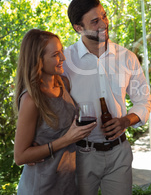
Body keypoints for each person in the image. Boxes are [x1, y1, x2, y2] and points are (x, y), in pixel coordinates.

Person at [63, 0, 151, 195]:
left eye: (104, 16)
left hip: (119, 153)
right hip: (81, 155)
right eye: (95, 21)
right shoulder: (66, 62)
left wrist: (125, 121)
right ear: (78, 28)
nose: (104, 24)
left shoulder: (126, 57)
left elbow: (143, 100)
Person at [14, 29, 96, 194]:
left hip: (67, 184)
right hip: (41, 187)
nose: (63, 58)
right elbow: (20, 157)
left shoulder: (63, 83)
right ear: (38, 60)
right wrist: (66, 139)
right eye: (55, 55)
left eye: (62, 52)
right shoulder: (31, 100)